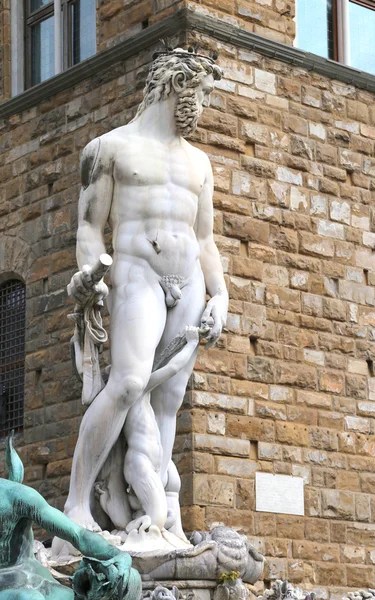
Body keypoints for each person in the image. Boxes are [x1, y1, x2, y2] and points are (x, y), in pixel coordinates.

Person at [65, 47, 228, 541]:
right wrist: (89, 275)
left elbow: (205, 239)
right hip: (136, 273)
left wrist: (220, 296)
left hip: (191, 281)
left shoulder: (200, 163)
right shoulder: (109, 148)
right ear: (178, 85)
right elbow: (90, 227)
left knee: (167, 401)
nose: (203, 106)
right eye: (201, 94)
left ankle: (156, 513)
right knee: (131, 382)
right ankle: (77, 502)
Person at [0, 433, 140, 600]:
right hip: (10, 587)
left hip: (33, 577)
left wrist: (116, 555)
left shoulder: (17, 497)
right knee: (29, 598)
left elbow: (77, 534)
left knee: (130, 580)